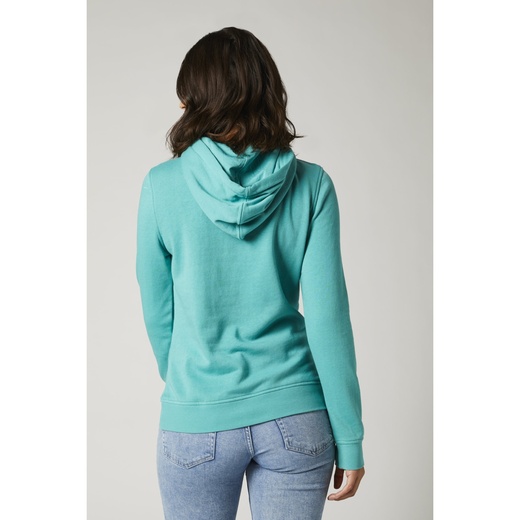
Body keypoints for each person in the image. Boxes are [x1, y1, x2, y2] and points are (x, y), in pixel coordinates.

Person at [136, 26, 366, 520]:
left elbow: (158, 314)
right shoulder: (312, 185)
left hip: (196, 418)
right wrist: (349, 436)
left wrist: (195, 386)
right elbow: (328, 319)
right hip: (295, 413)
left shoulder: (160, 187)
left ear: (195, 101)